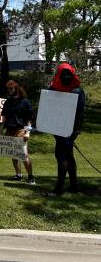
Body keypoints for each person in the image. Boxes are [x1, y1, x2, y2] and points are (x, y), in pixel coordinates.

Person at [46, 63, 85, 196]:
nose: (67, 77)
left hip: (70, 130)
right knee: (69, 156)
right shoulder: (53, 88)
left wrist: (76, 131)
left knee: (61, 155)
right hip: (57, 128)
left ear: (73, 75)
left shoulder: (78, 91)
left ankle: (58, 190)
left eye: (69, 74)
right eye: (64, 74)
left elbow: (81, 113)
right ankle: (74, 186)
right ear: (59, 75)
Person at [0, 80, 36, 184]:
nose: (9, 91)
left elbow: (30, 119)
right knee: (14, 154)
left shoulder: (25, 102)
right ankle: (18, 175)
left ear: (16, 88)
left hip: (21, 130)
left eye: (11, 88)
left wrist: (28, 132)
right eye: (8, 89)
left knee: (24, 154)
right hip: (9, 130)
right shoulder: (8, 101)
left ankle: (31, 176)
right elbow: (4, 118)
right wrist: (0, 130)